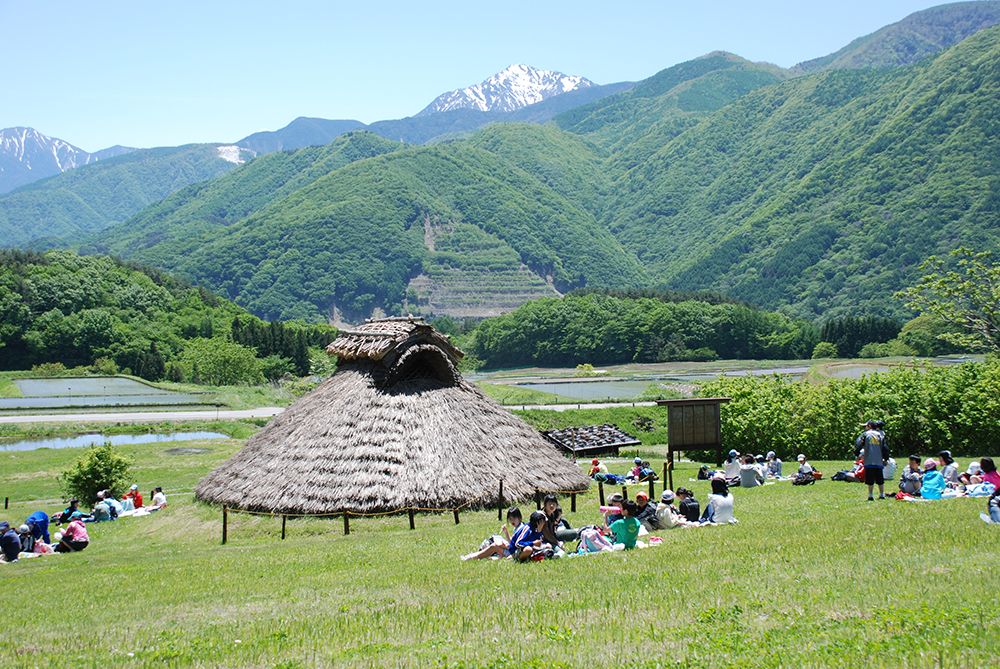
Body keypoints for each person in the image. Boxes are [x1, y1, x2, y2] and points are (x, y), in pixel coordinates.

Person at [855, 420, 890, 501]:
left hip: (869, 460)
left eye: (866, 426)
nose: (865, 428)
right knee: (880, 479)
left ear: (870, 426)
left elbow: (858, 443)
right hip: (878, 461)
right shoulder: (880, 435)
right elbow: (885, 448)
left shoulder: (865, 434)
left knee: (870, 480)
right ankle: (881, 494)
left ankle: (870, 496)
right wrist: (885, 458)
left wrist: (857, 454)